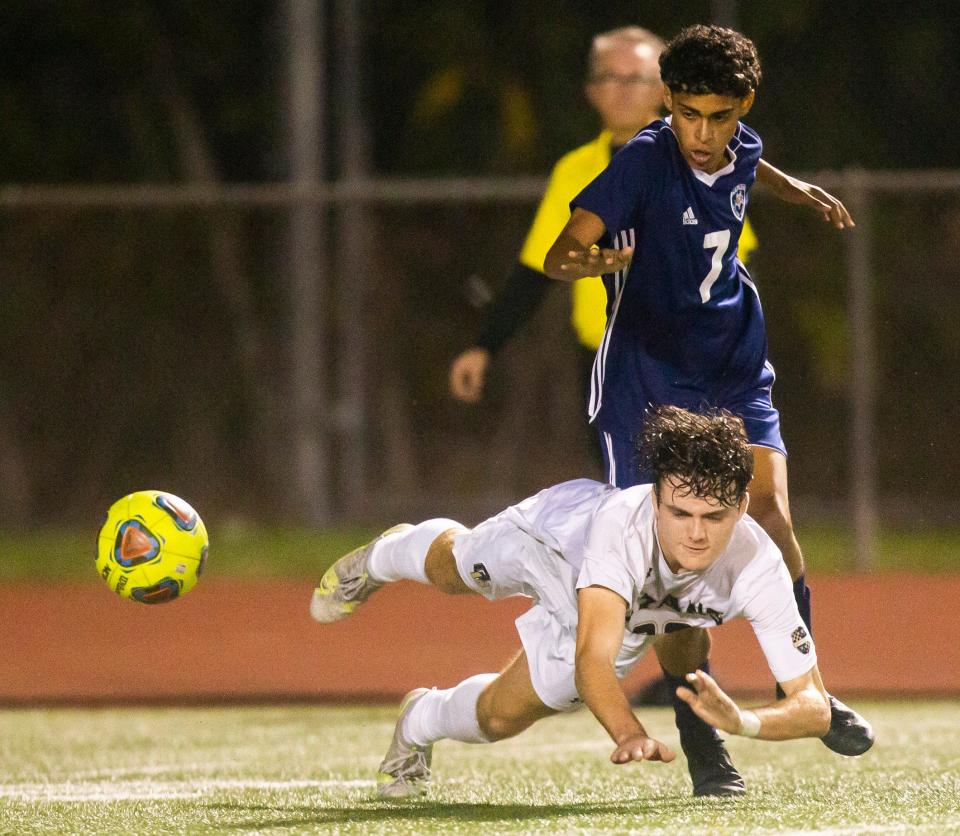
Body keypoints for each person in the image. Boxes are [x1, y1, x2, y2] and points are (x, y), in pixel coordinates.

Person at [542, 22, 870, 783]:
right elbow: (565, 248)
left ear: (742, 106)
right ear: (667, 101)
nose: (703, 131)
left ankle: (809, 688)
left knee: (771, 516)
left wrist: (802, 191)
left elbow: (751, 167)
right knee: (667, 558)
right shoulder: (643, 161)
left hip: (731, 362)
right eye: (689, 112)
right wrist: (585, 262)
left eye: (720, 115)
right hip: (647, 380)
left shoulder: (740, 145)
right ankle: (699, 729)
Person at [310, 407, 873, 799]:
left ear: (743, 505)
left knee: (502, 718)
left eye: (715, 517)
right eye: (680, 514)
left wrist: (743, 720)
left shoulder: (758, 564)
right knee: (458, 570)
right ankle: (387, 554)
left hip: (626, 614)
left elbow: (814, 706)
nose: (695, 535)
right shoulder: (620, 528)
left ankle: (418, 720)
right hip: (556, 543)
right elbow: (593, 660)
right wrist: (628, 732)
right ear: (655, 500)